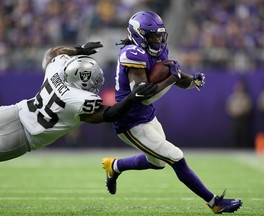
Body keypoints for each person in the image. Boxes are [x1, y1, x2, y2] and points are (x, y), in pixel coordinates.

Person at [101, 11, 242, 214]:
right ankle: (214, 203)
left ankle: (114, 166)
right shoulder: (132, 54)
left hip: (147, 115)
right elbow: (142, 94)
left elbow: (173, 73)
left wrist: (191, 80)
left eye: (160, 35)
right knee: (176, 156)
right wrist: (172, 79)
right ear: (139, 35)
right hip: (129, 121)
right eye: (152, 36)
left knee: (158, 163)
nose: (158, 40)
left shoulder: (155, 51)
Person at [0, 41, 157, 164]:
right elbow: (110, 114)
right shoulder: (79, 99)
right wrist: (133, 97)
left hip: (9, 113)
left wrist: (78, 49)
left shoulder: (56, 71)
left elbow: (52, 53)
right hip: (19, 139)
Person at [226, 81, 253, 148]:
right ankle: (234, 149)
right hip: (235, 119)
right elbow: (228, 108)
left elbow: (248, 107)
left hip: (243, 119)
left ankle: (245, 149)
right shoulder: (232, 97)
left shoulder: (246, 97)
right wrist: (234, 112)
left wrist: (241, 111)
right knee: (235, 135)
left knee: (244, 135)